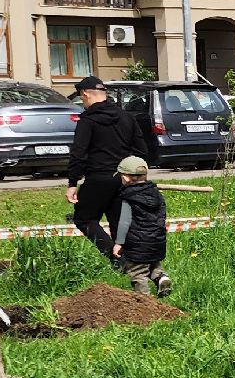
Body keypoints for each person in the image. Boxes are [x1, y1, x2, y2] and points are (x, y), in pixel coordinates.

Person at [65, 76, 157, 256]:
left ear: (85, 94)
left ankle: (114, 257)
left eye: (82, 98)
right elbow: (142, 150)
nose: (83, 103)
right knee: (117, 221)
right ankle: (130, 262)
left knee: (84, 219)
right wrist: (134, 175)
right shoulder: (127, 117)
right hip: (124, 178)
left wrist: (72, 183)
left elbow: (78, 153)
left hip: (98, 178)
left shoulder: (88, 120)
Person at [109, 156, 171, 296]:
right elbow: (162, 215)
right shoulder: (156, 194)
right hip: (157, 240)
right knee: (152, 263)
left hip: (137, 243)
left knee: (138, 272)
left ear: (125, 178)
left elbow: (125, 222)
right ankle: (161, 277)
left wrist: (118, 243)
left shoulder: (128, 197)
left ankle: (144, 302)